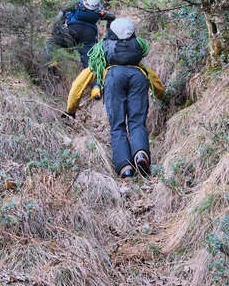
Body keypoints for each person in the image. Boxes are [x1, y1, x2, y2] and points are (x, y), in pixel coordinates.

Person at [64, 17, 166, 179]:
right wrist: (163, 97)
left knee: (117, 126)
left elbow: (81, 81)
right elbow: (151, 76)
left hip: (113, 79)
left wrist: (71, 109)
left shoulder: (104, 49)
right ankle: (140, 154)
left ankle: (125, 168)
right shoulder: (136, 51)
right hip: (138, 78)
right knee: (137, 123)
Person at [50, 0, 117, 67]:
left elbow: (62, 14)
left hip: (72, 31)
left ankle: (50, 64)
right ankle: (92, 77)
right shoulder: (98, 11)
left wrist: (58, 29)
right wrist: (107, 35)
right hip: (89, 36)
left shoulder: (75, 6)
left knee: (51, 43)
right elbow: (112, 17)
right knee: (90, 63)